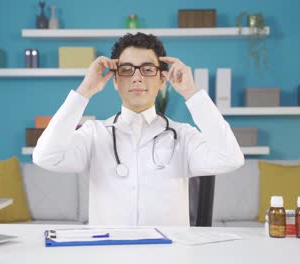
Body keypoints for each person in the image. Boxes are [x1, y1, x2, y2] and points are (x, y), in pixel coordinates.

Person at [33, 32, 244, 226]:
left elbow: (230, 159)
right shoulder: (94, 134)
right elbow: (46, 157)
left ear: (163, 80)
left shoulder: (183, 135)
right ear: (115, 80)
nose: (137, 77)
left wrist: (192, 93)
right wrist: (84, 91)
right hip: (108, 253)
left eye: (148, 69)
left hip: (169, 254)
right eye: (126, 70)